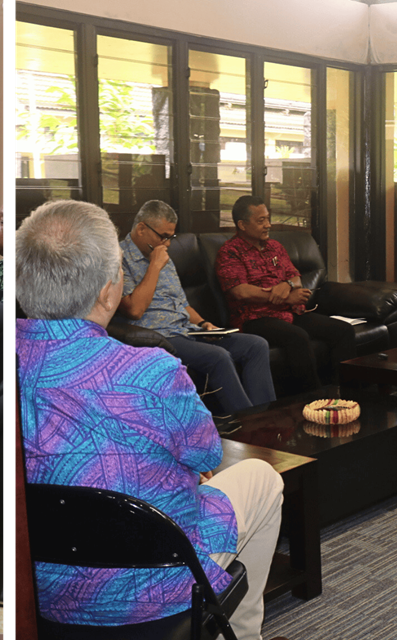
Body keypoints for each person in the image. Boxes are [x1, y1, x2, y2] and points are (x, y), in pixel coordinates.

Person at [19, 200, 287, 640]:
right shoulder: (152, 372)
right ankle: (240, 634)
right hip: (152, 585)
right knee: (262, 477)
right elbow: (207, 452)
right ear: (108, 290)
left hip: (38, 589)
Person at [118, 200, 274, 415]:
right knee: (219, 357)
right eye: (162, 236)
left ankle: (268, 418)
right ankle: (249, 426)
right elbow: (134, 310)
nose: (168, 244)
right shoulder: (119, 259)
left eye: (171, 237)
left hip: (187, 330)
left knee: (256, 345)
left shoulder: (164, 255)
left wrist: (203, 323)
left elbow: (181, 304)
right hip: (160, 336)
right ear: (141, 229)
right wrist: (154, 266)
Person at [217, 195, 357, 395]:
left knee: (342, 330)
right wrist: (286, 296)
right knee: (297, 337)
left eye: (268, 218)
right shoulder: (230, 252)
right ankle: (313, 400)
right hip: (256, 318)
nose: (268, 225)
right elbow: (240, 291)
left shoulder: (275, 246)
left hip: (290, 312)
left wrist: (287, 284)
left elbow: (296, 277)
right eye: (261, 221)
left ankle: (345, 395)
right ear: (242, 225)